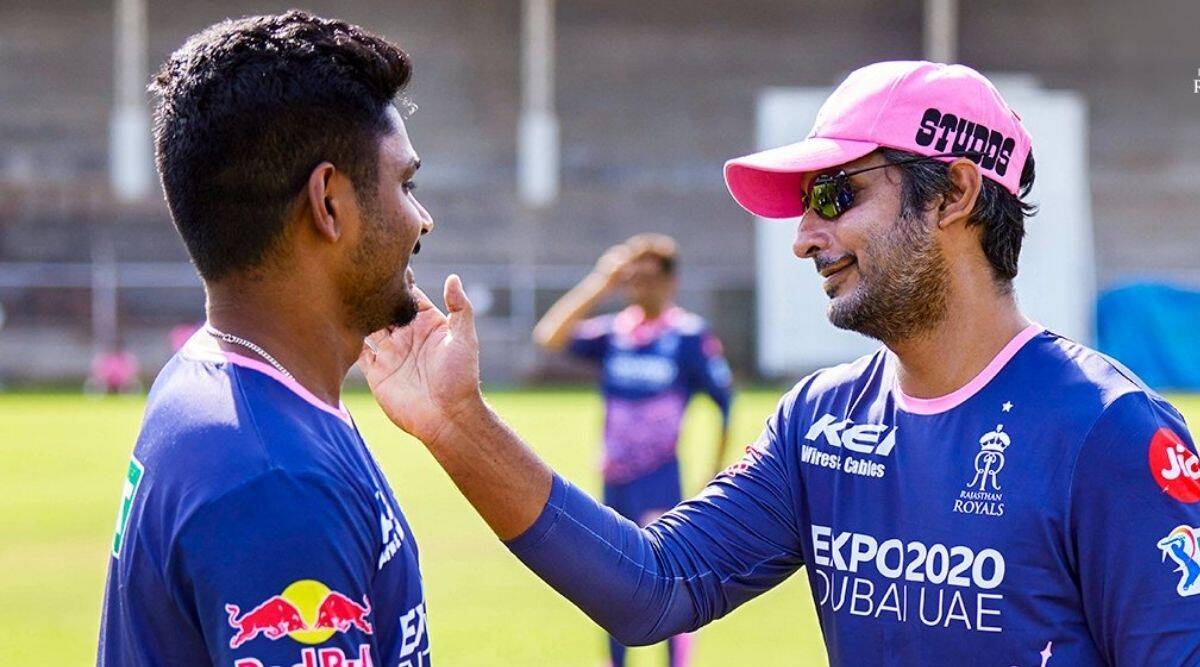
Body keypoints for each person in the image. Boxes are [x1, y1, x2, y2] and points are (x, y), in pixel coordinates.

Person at [360, 61, 1200, 665]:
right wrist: (457, 423)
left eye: (836, 195)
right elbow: (655, 587)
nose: (804, 236)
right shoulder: (821, 419)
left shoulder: (1110, 433)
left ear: (953, 192)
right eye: (805, 206)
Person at [98, 12, 434, 666]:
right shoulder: (277, 479)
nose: (423, 219)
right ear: (329, 203)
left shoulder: (216, 380)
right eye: (406, 183)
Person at [532, 233, 733, 667]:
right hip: (616, 477)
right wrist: (601, 283)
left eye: (648, 277)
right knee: (612, 576)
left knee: (666, 577)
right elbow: (549, 336)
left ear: (670, 281)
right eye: (632, 278)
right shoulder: (616, 334)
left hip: (659, 477)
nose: (639, 287)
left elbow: (724, 405)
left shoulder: (687, 336)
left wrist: (716, 474)